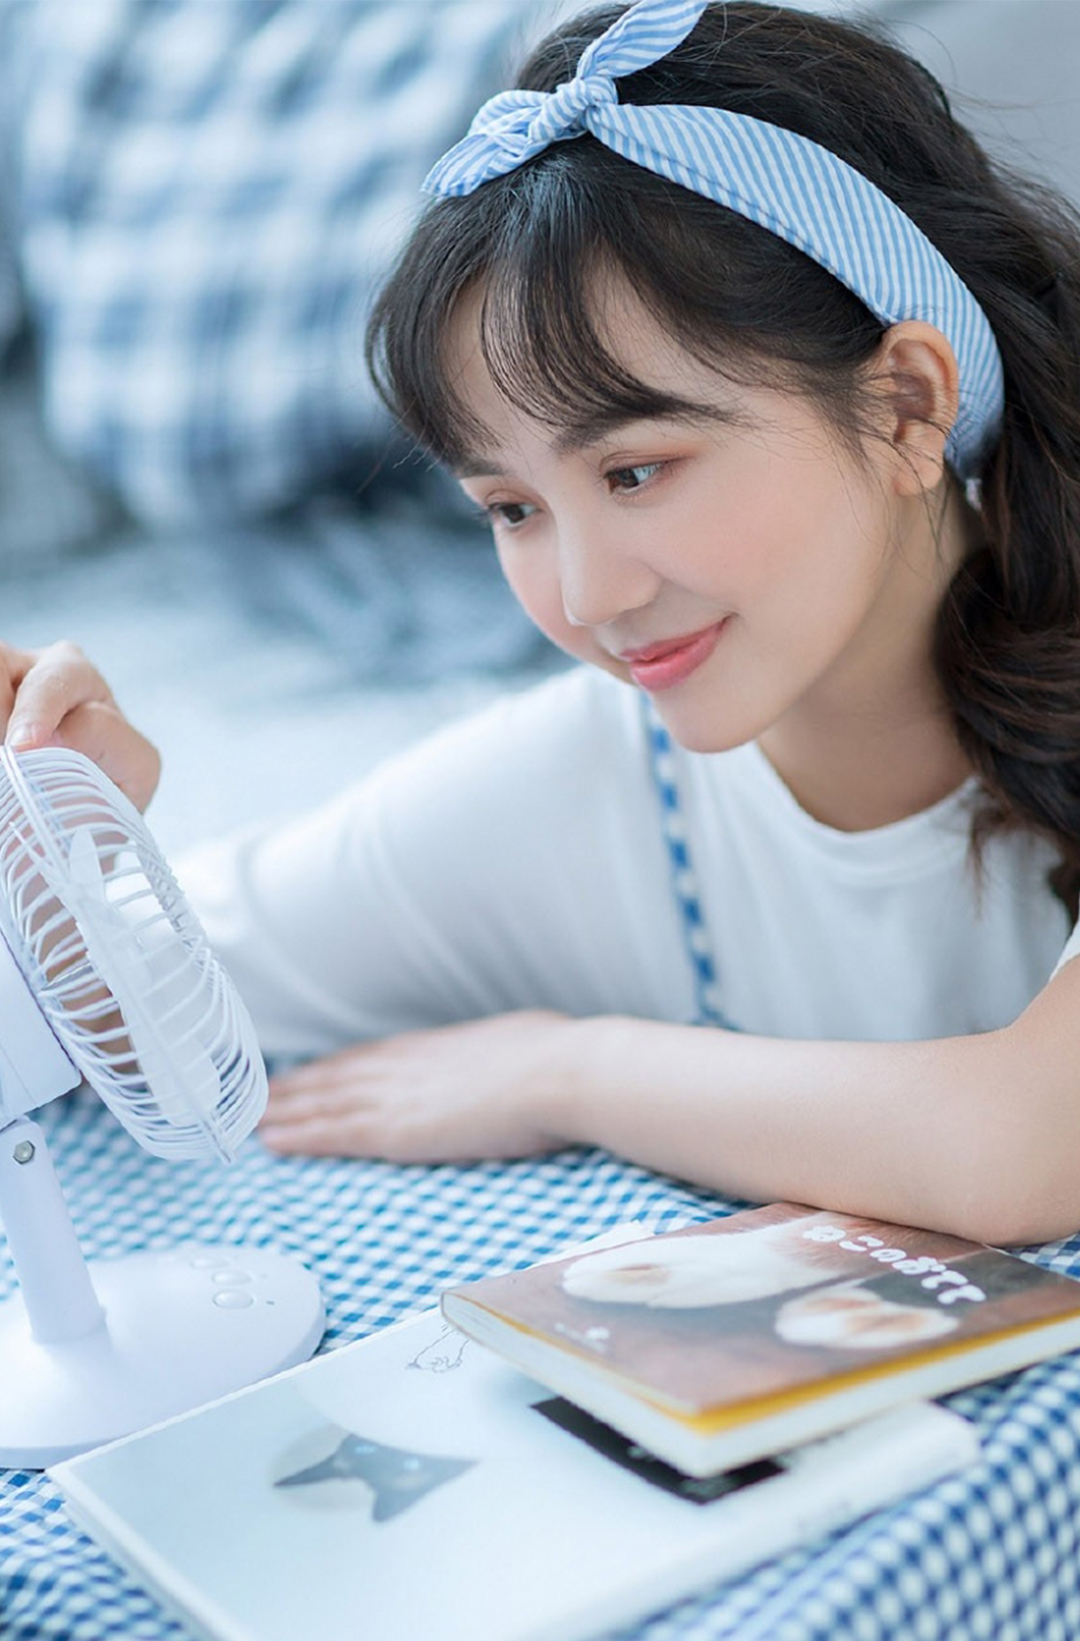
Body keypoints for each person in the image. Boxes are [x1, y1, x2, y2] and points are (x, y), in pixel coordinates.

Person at [4, 0, 1080, 1247]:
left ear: (904, 403)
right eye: (510, 507)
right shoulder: (583, 788)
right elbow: (126, 1013)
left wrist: (566, 1072)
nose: (586, 598)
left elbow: (1030, 1144)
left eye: (636, 472)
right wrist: (62, 848)